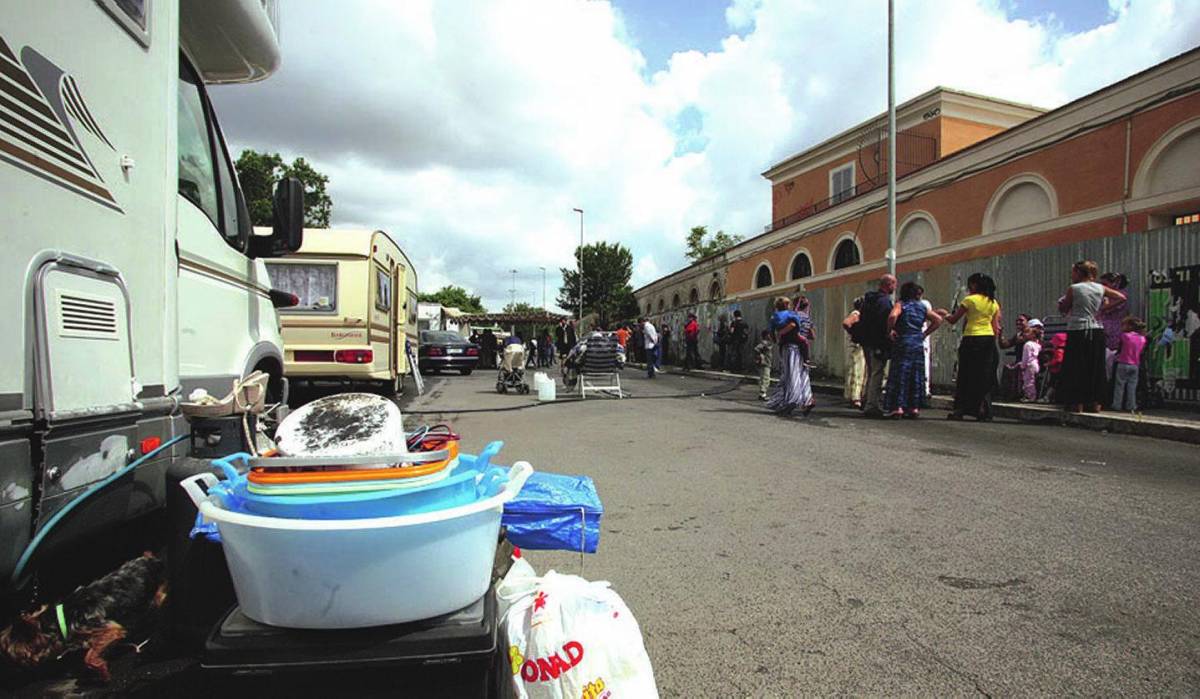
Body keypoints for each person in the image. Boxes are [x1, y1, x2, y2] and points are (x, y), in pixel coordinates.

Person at [1058, 260, 1126, 413]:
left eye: (1073, 272)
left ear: (1079, 272)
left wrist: (1062, 305)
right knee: (1096, 367)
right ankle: (1096, 403)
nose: (1071, 275)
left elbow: (1065, 307)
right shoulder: (1100, 288)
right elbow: (1121, 297)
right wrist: (1102, 308)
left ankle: (1077, 404)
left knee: (1077, 367)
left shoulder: (1074, 288)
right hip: (1096, 328)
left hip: (1078, 329)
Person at [941, 273, 1001, 421]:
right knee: (983, 376)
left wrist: (943, 313)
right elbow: (996, 327)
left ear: (974, 285)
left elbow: (954, 319)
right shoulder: (993, 303)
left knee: (966, 375)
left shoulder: (969, 300)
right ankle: (983, 409)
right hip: (988, 341)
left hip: (972, 339)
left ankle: (961, 409)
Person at [883, 282, 943, 418]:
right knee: (915, 373)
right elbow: (938, 319)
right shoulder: (922, 307)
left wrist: (890, 330)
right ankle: (913, 406)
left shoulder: (901, 304)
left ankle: (897, 406)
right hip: (917, 342)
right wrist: (924, 334)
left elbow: (892, 316)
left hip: (903, 341)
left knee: (901, 373)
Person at [855, 274, 897, 418]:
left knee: (871, 371)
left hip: (867, 341)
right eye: (894, 284)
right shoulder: (884, 302)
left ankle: (866, 400)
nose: (895, 287)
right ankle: (872, 405)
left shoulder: (869, 300)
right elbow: (884, 322)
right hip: (878, 342)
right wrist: (887, 336)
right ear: (888, 284)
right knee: (877, 373)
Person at [766, 296, 814, 416]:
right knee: (803, 374)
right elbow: (812, 335)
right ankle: (807, 400)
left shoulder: (792, 315)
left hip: (790, 347)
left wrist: (779, 334)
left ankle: (791, 400)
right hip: (802, 347)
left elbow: (791, 326)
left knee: (790, 375)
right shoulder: (806, 317)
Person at [1112, 316, 1147, 412]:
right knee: (1132, 386)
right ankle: (1131, 405)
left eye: (1124, 325)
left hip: (1123, 362)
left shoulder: (1125, 336)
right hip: (1135, 364)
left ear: (1130, 326)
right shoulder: (1142, 339)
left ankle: (1117, 405)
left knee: (1119, 385)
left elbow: (1119, 348)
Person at [841, 298, 866, 409]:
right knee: (857, 370)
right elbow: (846, 323)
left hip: (856, 345)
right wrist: (855, 334)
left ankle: (854, 395)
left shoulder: (858, 314)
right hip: (856, 346)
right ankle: (855, 397)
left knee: (857, 370)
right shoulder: (856, 314)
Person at [1012, 322, 1043, 402]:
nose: (1024, 334)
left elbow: (1026, 357)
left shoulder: (1027, 344)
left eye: (1027, 332)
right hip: (1036, 364)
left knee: (1028, 381)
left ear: (1033, 335)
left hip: (1029, 365)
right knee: (1033, 380)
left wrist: (1023, 366)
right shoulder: (1037, 344)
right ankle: (1034, 395)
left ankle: (1030, 396)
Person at [793, 296, 815, 362]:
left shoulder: (794, 315)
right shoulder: (807, 318)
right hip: (803, 346)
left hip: (792, 345)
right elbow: (813, 336)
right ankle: (807, 360)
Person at [754, 330, 773, 401]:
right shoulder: (764, 343)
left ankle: (762, 394)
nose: (770, 336)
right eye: (769, 335)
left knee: (764, 379)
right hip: (764, 364)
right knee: (765, 379)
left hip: (767, 363)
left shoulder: (768, 343)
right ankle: (762, 394)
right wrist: (761, 356)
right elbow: (756, 349)